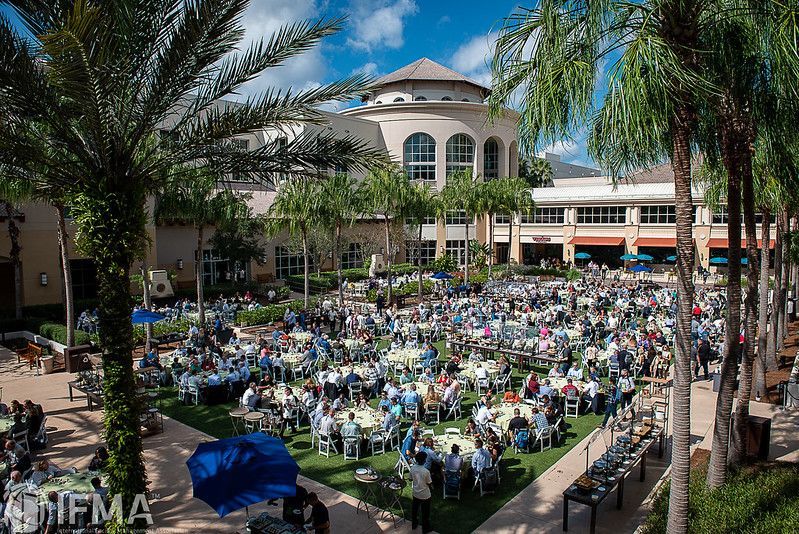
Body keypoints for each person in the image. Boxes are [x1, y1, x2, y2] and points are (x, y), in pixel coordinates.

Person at [410, 451, 433, 533]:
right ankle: (425, 528)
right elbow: (429, 483)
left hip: (416, 493)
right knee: (425, 513)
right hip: (425, 495)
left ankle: (414, 524)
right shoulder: (426, 471)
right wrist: (432, 488)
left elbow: (410, 478)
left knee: (415, 510)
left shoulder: (412, 468)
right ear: (424, 460)